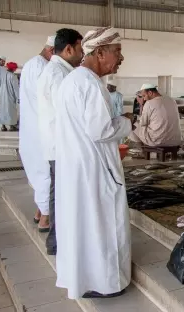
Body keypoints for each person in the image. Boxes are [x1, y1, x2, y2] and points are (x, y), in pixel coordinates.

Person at [54, 26, 132, 299]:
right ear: (100, 52)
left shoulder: (74, 80)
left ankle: (84, 280)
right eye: (118, 52)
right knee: (102, 225)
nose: (121, 58)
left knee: (83, 226)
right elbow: (100, 131)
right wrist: (126, 123)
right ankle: (106, 283)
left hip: (78, 167)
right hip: (94, 169)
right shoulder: (88, 83)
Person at [37, 29, 83, 255]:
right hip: (62, 147)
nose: (82, 54)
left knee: (61, 193)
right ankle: (57, 242)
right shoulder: (59, 75)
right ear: (69, 49)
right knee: (62, 195)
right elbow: (68, 113)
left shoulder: (56, 70)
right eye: (81, 49)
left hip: (58, 145)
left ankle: (58, 241)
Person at [19, 36, 55, 232]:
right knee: (46, 174)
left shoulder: (31, 64)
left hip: (30, 129)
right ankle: (46, 219)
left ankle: (39, 212)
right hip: (41, 131)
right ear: (52, 51)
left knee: (37, 172)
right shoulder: (44, 68)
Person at [0, 62, 19, 132]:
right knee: (11, 111)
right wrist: (18, 98)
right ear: (13, 69)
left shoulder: (1, 75)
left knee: (2, 110)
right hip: (10, 96)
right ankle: (12, 126)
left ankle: (3, 127)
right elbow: (16, 88)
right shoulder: (13, 76)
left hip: (1, 95)